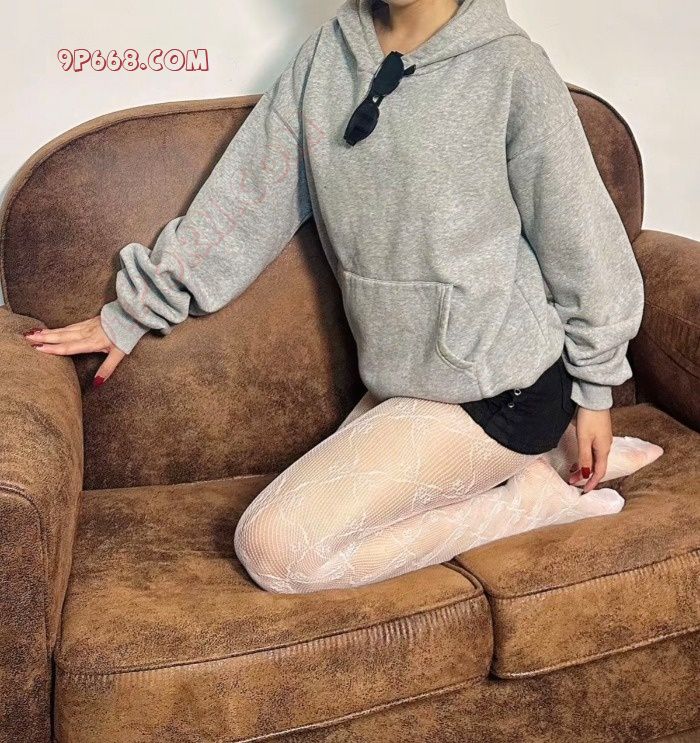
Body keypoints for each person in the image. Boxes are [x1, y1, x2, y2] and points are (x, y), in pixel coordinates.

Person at [23, 0, 649, 593]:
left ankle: (529, 501)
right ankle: (532, 465)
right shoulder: (328, 56)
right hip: (405, 386)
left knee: (276, 549)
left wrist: (595, 390)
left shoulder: (511, 67)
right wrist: (136, 310)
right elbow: (247, 198)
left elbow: (581, 238)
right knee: (303, 539)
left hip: (507, 388)